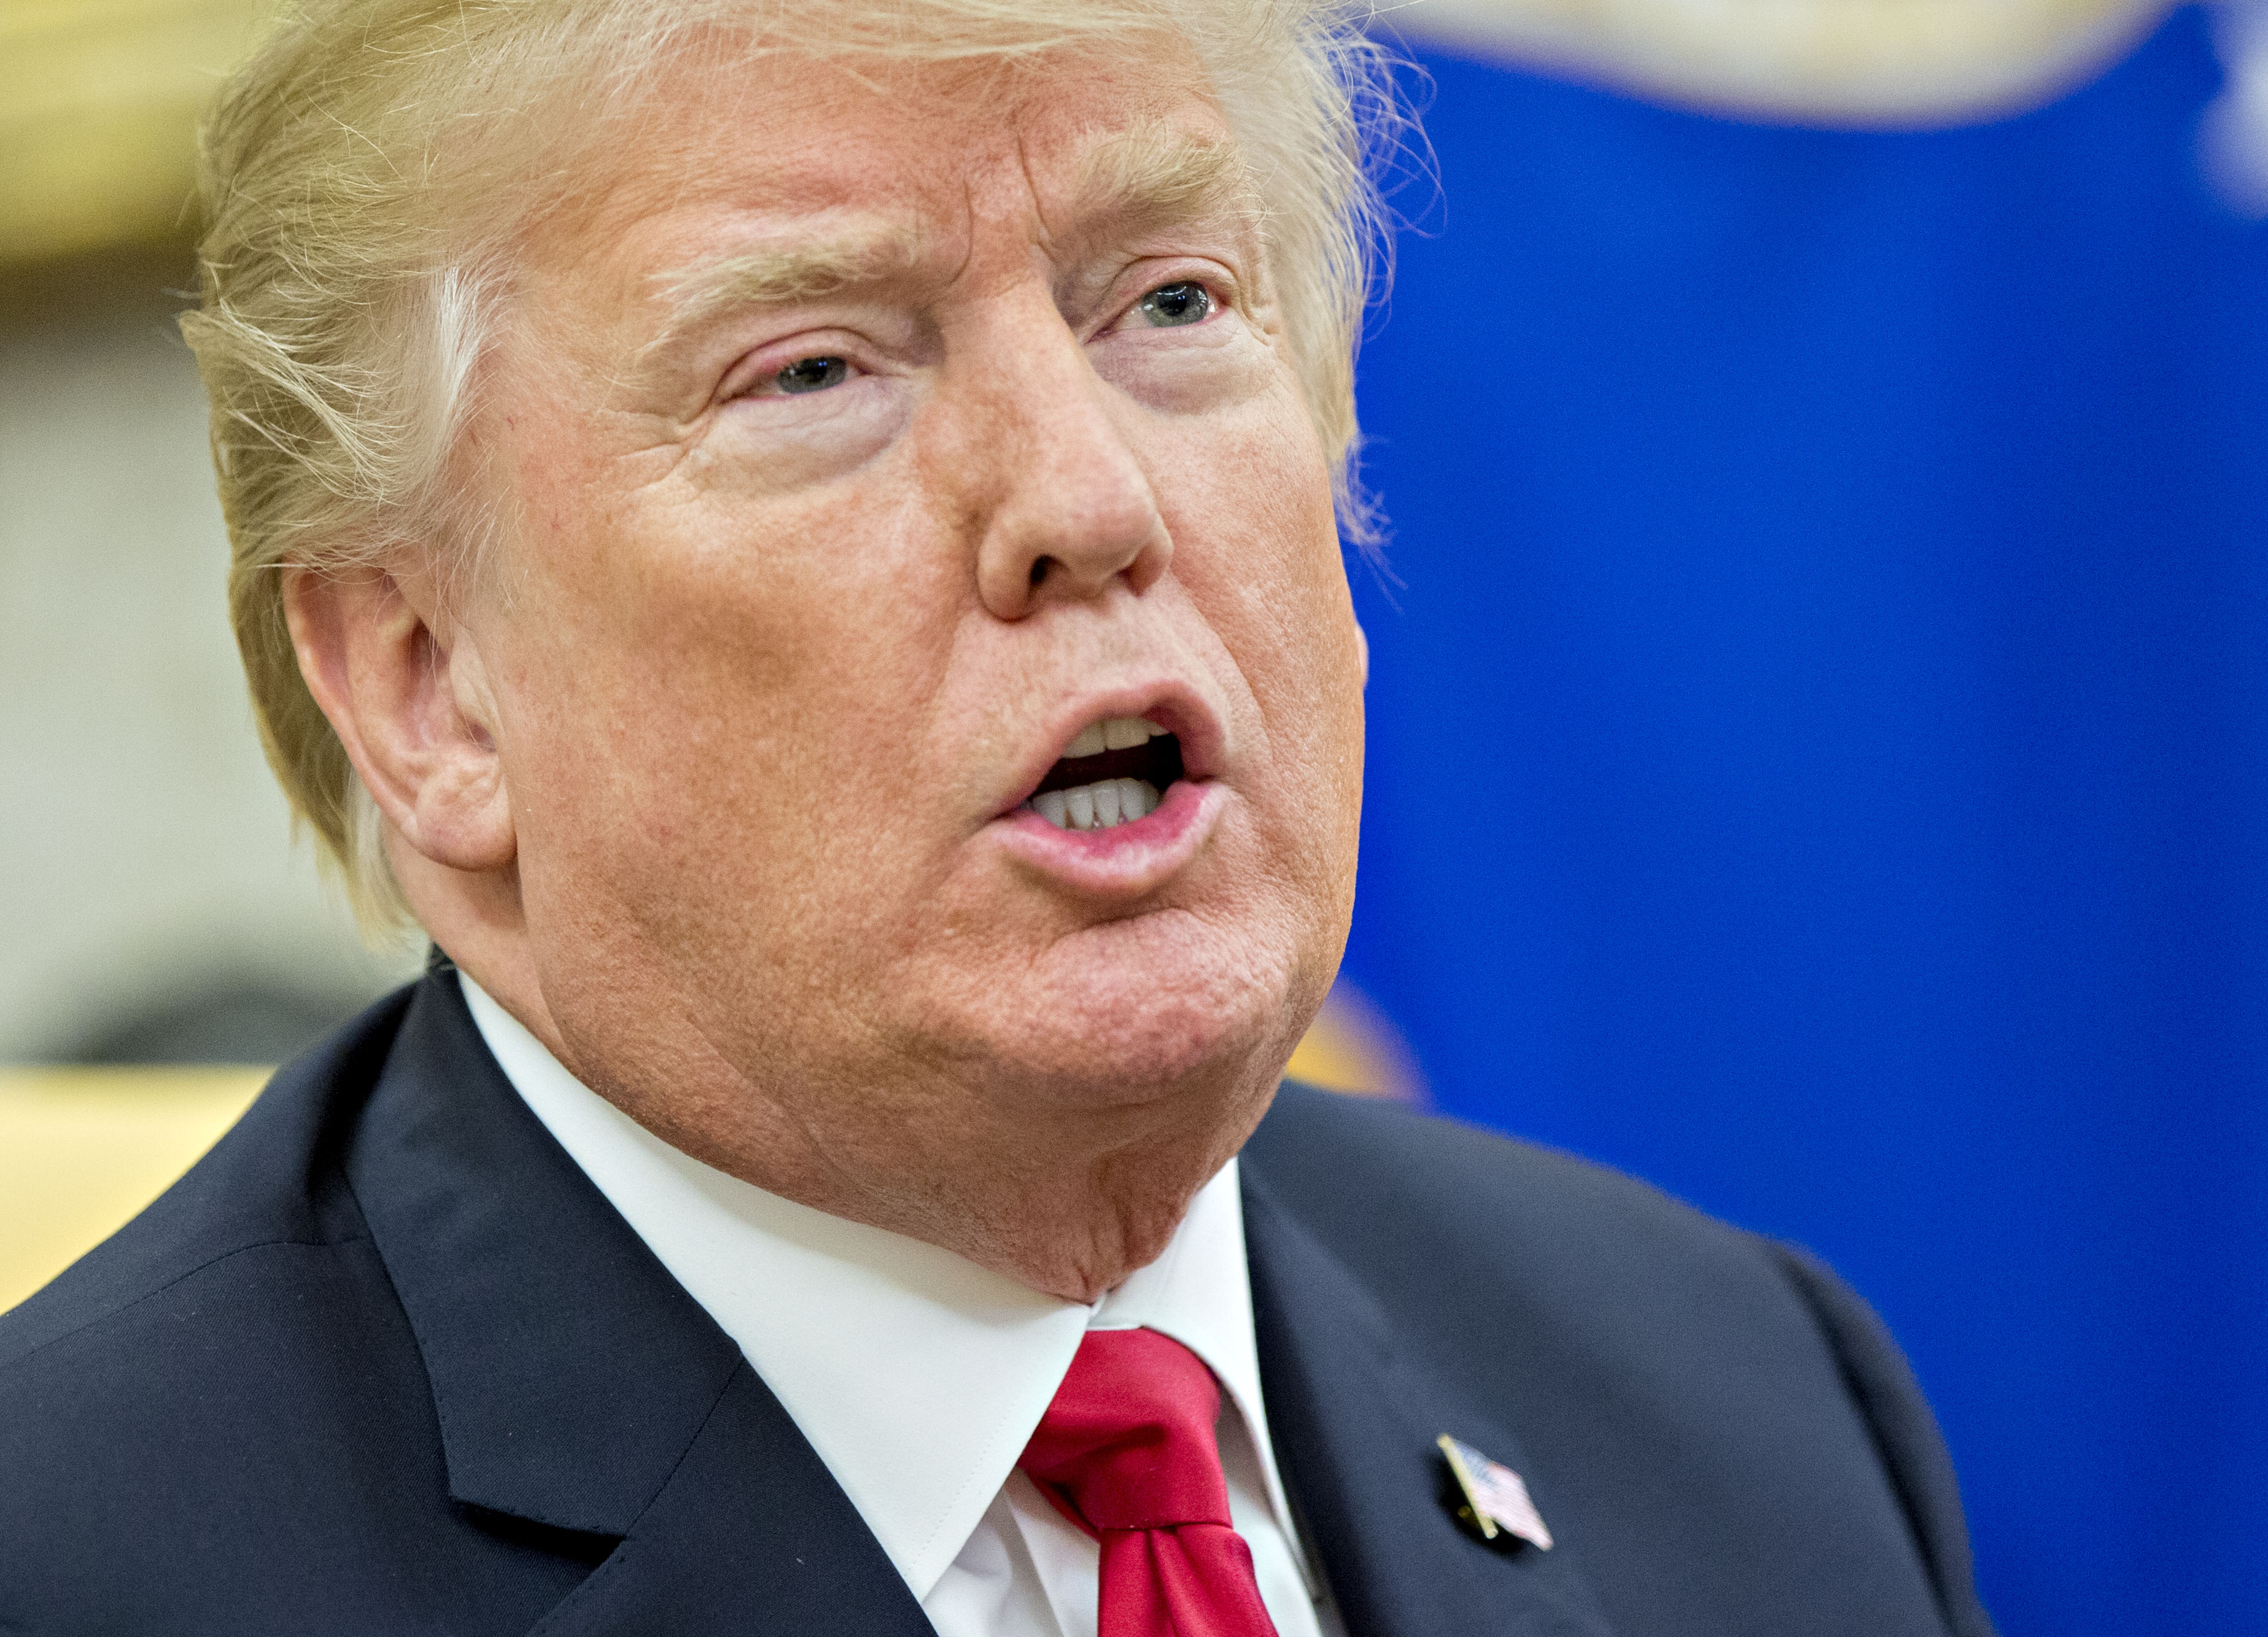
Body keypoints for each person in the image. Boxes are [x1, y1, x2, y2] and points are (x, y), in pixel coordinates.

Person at [0, 0, 1996, 1631]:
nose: (1087, 499)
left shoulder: (1750, 1412)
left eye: (1172, 303)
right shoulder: (84, 1565)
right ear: (431, 681)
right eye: (813, 368)